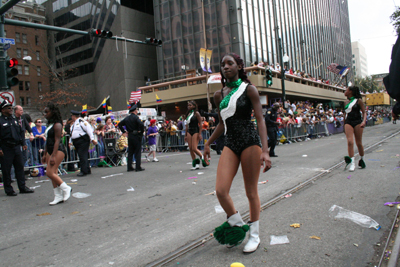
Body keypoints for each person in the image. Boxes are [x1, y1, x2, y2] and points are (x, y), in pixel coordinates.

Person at [203, 53, 271, 254]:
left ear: (239, 67)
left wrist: (265, 151)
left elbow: (260, 120)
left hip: (250, 142)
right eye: (222, 64)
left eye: (230, 63)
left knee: (251, 192)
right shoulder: (219, 95)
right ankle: (239, 224)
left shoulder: (249, 90)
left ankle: (255, 236)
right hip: (231, 143)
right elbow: (222, 125)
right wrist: (207, 143)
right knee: (221, 191)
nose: (225, 67)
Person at [0, 99, 34, 196]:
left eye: (11, 108)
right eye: (8, 108)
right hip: (6, 148)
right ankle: (9, 189)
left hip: (16, 146)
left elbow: (20, 132)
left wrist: (23, 143)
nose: (11, 109)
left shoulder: (14, 120)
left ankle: (22, 187)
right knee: (6, 170)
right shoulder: (1, 121)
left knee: (19, 167)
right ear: (2, 110)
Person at [42, 103, 72, 205]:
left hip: (58, 150)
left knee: (49, 173)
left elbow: (57, 140)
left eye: (47, 112)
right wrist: (45, 153)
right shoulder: (50, 125)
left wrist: (53, 155)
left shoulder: (58, 124)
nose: (45, 114)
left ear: (53, 112)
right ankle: (58, 196)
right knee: (53, 173)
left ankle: (66, 188)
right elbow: (47, 141)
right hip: (50, 150)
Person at [343, 86, 366, 171]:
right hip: (348, 122)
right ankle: (352, 163)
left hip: (357, 122)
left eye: (347, 90)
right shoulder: (345, 102)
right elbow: (345, 114)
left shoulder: (358, 101)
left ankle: (362, 159)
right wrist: (344, 124)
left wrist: (364, 121)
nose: (345, 91)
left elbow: (364, 112)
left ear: (351, 91)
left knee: (358, 143)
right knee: (350, 142)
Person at [69, 110, 97, 176]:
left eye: (72, 116)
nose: (71, 117)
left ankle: (83, 171)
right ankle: (87, 169)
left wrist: (92, 139)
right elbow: (72, 133)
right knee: (82, 155)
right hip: (77, 141)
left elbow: (89, 130)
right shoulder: (74, 123)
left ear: (74, 116)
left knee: (82, 155)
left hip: (83, 140)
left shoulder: (82, 122)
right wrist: (70, 141)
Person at [118, 104, 145, 172]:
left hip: (130, 135)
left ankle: (129, 167)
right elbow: (141, 124)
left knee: (130, 152)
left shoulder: (127, 118)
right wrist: (141, 131)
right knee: (138, 152)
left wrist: (124, 131)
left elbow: (119, 124)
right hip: (136, 135)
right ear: (135, 111)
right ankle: (138, 167)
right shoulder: (136, 118)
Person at [184, 100, 206, 170]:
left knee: (194, 148)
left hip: (195, 131)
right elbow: (187, 126)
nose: (189, 106)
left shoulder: (196, 113)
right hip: (189, 131)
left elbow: (200, 124)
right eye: (188, 105)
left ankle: (202, 156)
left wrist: (200, 134)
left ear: (194, 106)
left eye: (190, 105)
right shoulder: (188, 114)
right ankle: (195, 164)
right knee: (190, 148)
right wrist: (185, 135)